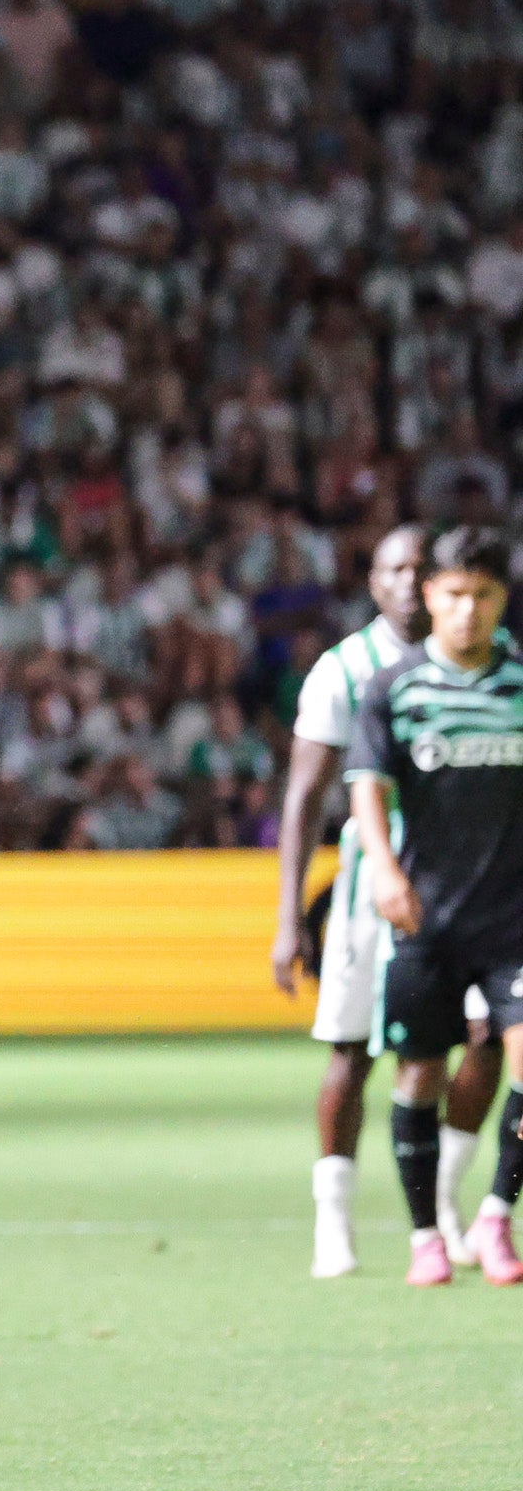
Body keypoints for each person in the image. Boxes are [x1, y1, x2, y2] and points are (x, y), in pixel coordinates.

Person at [275, 524, 502, 1277]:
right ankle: (332, 1218)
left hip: (476, 893)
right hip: (374, 897)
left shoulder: (494, 669)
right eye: (393, 569)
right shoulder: (346, 669)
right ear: (374, 583)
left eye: (419, 568)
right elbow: (307, 795)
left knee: (487, 1045)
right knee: (351, 1054)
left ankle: (442, 1199)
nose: (409, 582)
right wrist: (287, 917)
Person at [343, 527, 523, 1289]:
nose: (468, 611)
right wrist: (383, 869)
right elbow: (366, 787)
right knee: (418, 1076)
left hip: (514, 919)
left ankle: (495, 1215)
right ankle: (426, 1234)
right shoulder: (396, 687)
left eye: (483, 596)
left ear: (502, 600)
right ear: (428, 597)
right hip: (427, 917)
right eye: (454, 594)